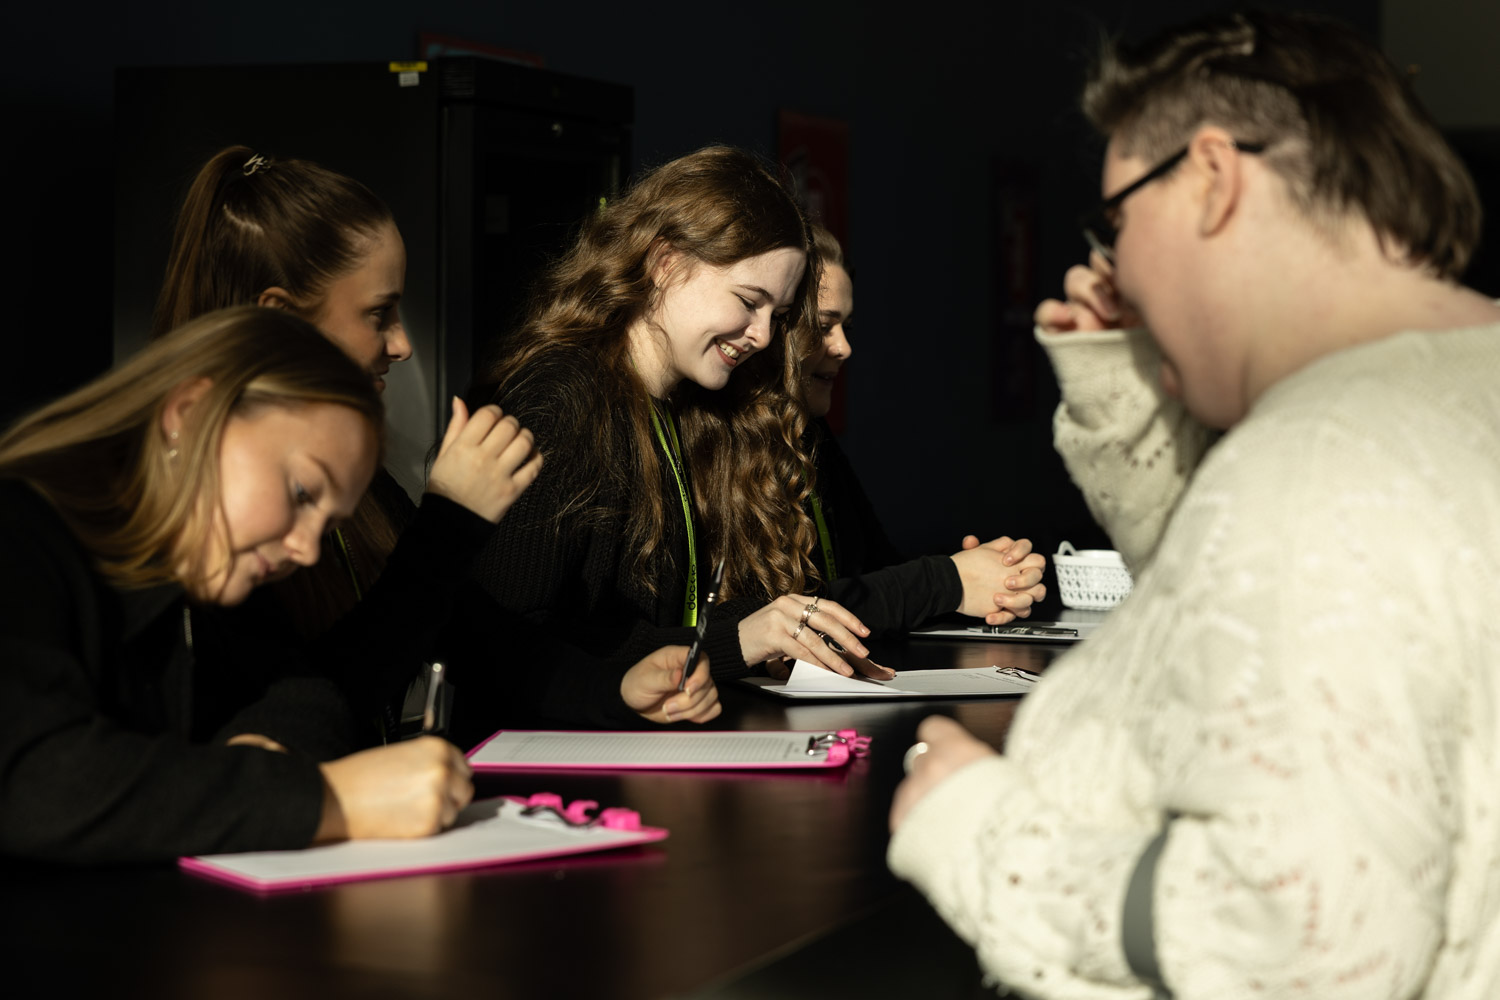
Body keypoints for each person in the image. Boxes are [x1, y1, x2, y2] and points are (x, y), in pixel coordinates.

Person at [888, 10, 1500, 998]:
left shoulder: (1316, 466)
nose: (1115, 266)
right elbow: (1271, 642)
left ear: (1213, 177)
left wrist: (977, 828)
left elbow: (1311, 942)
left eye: (1119, 220)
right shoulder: (1434, 405)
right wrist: (1139, 393)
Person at [155, 146, 721, 738]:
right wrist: (449, 521)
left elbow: (471, 633)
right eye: (378, 314)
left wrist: (613, 689)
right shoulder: (197, 511)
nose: (401, 345)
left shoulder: (364, 488)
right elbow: (300, 716)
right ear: (281, 319)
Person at [0, 307, 476, 863]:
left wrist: (247, 773)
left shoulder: (210, 578)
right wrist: (327, 799)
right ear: (190, 415)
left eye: (327, 524)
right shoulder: (20, 539)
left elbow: (309, 697)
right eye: (302, 492)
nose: (307, 549)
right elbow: (36, 784)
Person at [471, 146, 886, 682]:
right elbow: (501, 648)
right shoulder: (563, 400)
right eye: (748, 301)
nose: (763, 335)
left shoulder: (680, 407)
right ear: (665, 263)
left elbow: (644, 629)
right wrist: (738, 640)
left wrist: (765, 628)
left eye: (777, 314)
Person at [800, 224, 1049, 633]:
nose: (844, 347)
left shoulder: (814, 437)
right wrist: (948, 582)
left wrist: (983, 580)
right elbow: (779, 618)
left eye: (847, 326)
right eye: (823, 326)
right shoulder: (727, 445)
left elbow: (876, 579)